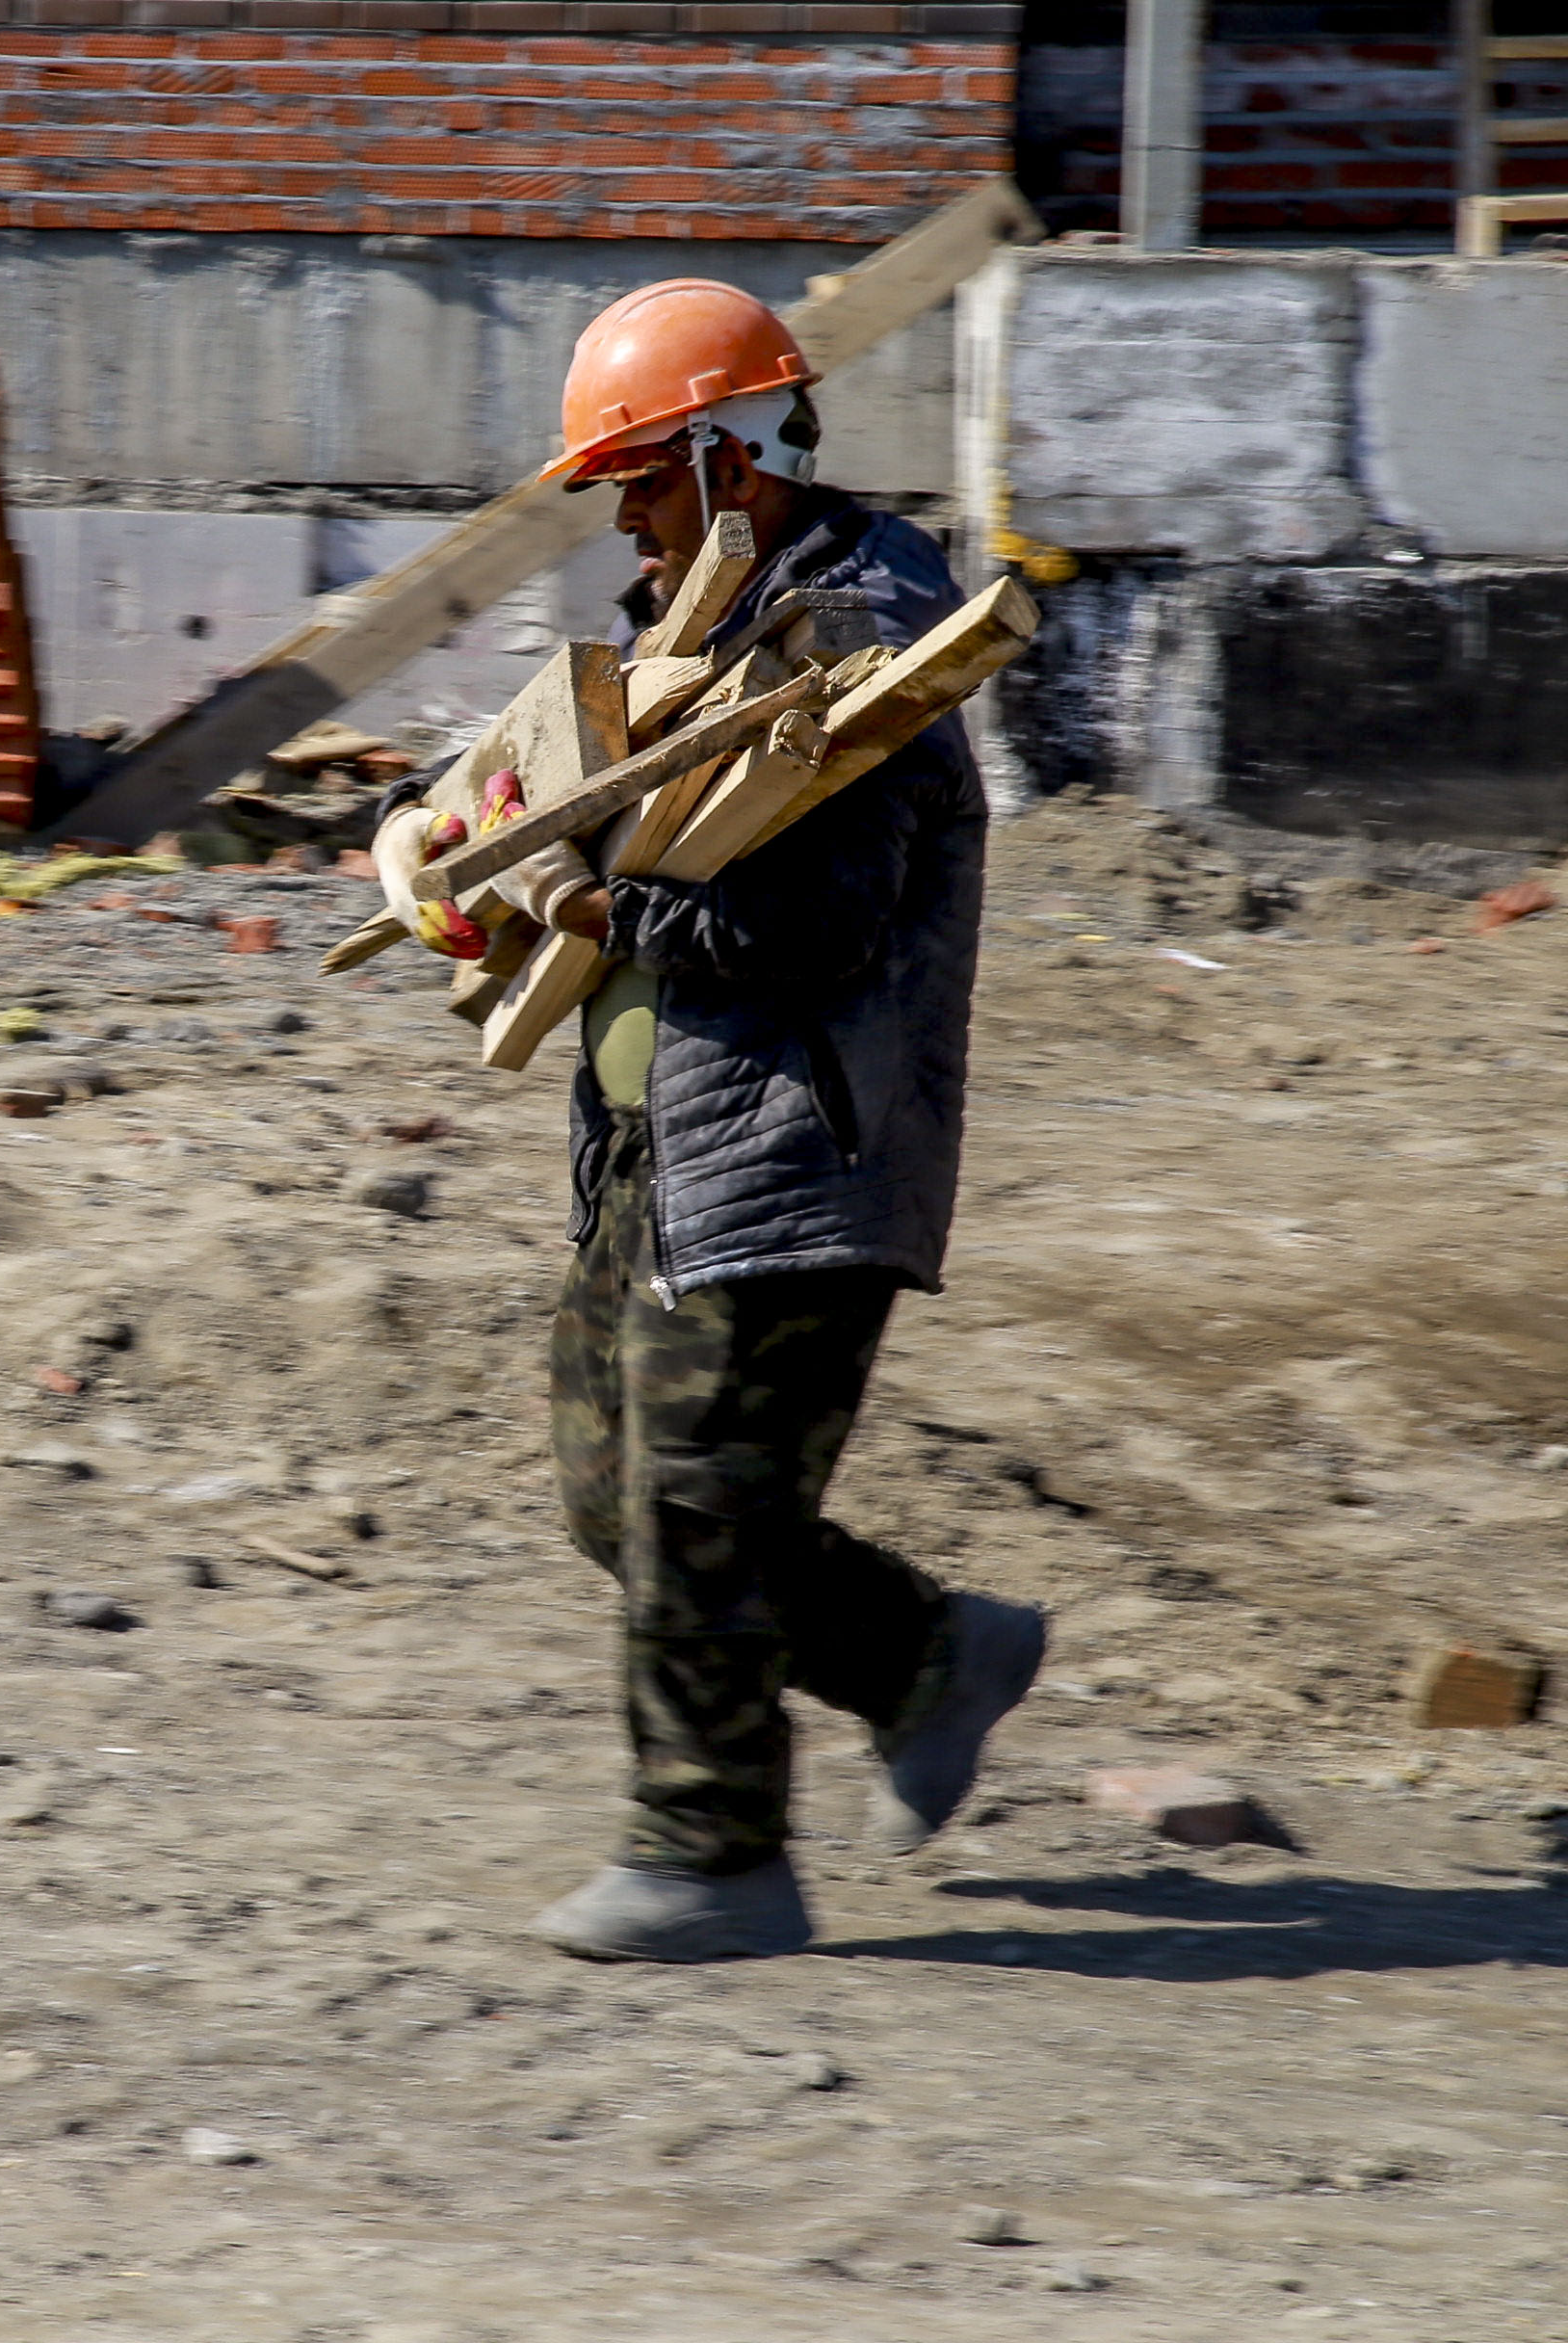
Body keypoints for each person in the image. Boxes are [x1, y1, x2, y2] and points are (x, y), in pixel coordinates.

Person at [377, 278, 1044, 1963]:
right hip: (658, 1153)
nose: (626, 517)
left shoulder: (862, 650)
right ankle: (922, 1659)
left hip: (795, 1153)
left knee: (695, 1504)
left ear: (730, 456)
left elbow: (806, 924)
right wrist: (468, 838)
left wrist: (589, 902)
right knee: (620, 1498)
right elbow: (578, 795)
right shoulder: (698, 633)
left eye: (642, 479)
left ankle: (710, 1854)